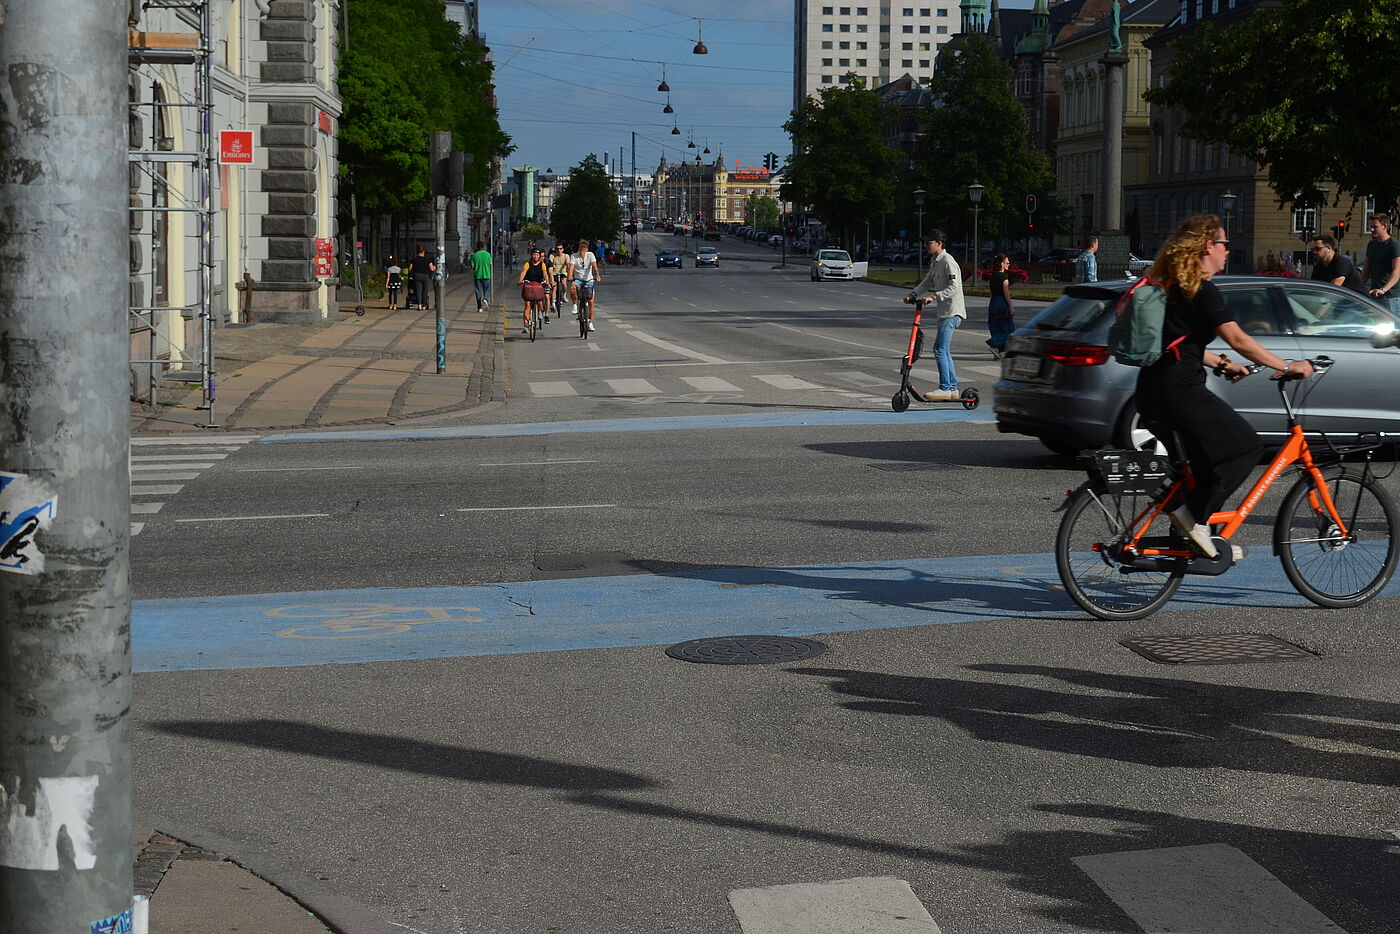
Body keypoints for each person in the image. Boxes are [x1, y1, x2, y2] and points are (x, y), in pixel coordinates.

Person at [1136, 214, 1313, 559]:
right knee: (1244, 447)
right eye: (1224, 244)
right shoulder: (1202, 291)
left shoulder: (1175, 286)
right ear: (1208, 246)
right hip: (1179, 391)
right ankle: (1194, 520)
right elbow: (1238, 339)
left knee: (1201, 466)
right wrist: (1288, 365)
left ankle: (1190, 537)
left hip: (1152, 391)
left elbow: (1180, 343)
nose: (1228, 251)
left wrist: (1221, 363)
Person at [903, 229, 965, 400]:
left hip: (952, 311)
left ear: (939, 243)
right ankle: (952, 389)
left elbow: (954, 287)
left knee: (939, 349)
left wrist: (934, 296)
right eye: (925, 242)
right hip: (944, 311)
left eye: (929, 242)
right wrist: (913, 294)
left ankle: (945, 388)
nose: (926, 245)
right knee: (944, 350)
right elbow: (928, 281)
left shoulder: (948, 261)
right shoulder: (935, 261)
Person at [1362, 212, 1400, 314]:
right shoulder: (1371, 245)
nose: (1371, 229)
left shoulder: (1394, 245)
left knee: (1393, 324)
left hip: (1390, 297)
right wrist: (1357, 287)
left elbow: (1397, 271)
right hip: (1374, 296)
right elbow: (1365, 271)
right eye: (1371, 226)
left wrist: (1383, 289)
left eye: (1375, 226)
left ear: (1385, 227)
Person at [985, 253, 1016, 358]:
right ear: (1002, 264)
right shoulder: (1004, 277)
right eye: (1007, 263)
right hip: (1001, 302)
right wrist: (1011, 306)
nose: (1009, 264)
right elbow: (1006, 292)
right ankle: (994, 344)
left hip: (993, 302)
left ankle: (998, 351)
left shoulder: (993, 276)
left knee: (995, 327)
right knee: (1008, 329)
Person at [569, 238, 602, 332]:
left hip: (589, 280)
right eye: (580, 247)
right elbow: (571, 267)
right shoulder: (574, 256)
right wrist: (570, 276)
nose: (582, 249)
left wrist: (597, 275)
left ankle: (590, 323)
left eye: (584, 247)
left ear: (587, 249)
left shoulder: (590, 255)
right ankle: (575, 305)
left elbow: (595, 267)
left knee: (591, 301)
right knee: (572, 288)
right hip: (578, 280)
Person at [516, 246, 551, 334]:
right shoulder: (527, 264)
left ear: (539, 256)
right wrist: (520, 280)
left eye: (537, 255)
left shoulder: (542, 264)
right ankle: (526, 325)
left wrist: (547, 282)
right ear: (531, 255)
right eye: (534, 254)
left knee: (539, 301)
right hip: (529, 284)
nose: (535, 256)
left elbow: (545, 274)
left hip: (538, 284)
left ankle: (540, 311)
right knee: (527, 304)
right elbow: (523, 272)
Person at [407, 245, 435, 311]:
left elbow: (410, 269)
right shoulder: (428, 260)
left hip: (417, 276)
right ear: (423, 252)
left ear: (417, 252)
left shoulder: (413, 259)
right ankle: (424, 305)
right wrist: (435, 267)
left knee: (418, 291)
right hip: (425, 276)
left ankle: (419, 305)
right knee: (425, 291)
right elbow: (431, 268)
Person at [470, 241, 492, 312]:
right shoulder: (488, 254)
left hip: (477, 275)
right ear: (484, 246)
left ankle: (479, 307)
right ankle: (485, 299)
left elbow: (472, 267)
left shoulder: (474, 255)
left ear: (477, 247)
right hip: (486, 275)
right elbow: (490, 265)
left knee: (478, 291)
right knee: (487, 289)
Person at [548, 244, 570, 313]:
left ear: (563, 249)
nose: (559, 250)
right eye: (557, 249)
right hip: (554, 273)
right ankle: (553, 302)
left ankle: (564, 295)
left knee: (564, 284)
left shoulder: (566, 256)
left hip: (562, 272)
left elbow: (568, 264)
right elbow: (550, 264)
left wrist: (569, 269)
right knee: (554, 287)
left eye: (560, 249)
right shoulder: (552, 256)